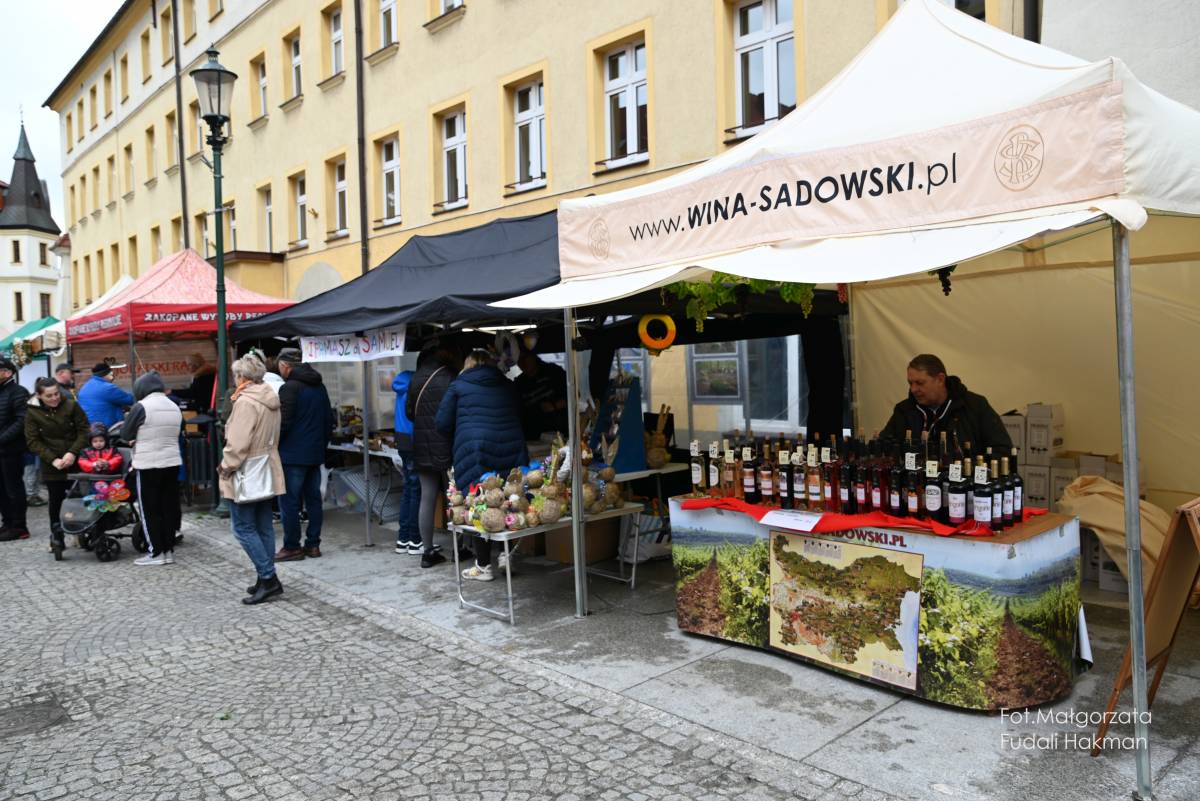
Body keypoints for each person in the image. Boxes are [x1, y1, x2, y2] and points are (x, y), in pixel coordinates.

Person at [436, 349, 528, 582]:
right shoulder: (506, 383)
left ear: (467, 364)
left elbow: (442, 422)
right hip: (509, 445)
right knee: (509, 499)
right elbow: (521, 411)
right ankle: (507, 555)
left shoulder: (458, 385)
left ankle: (484, 565)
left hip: (475, 449)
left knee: (480, 502)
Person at [219, 354, 286, 605]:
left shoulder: (246, 402)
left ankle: (268, 578)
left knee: (243, 528)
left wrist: (226, 467)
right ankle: (264, 575)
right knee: (263, 525)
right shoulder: (269, 397)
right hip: (267, 464)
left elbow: (238, 443)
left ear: (241, 376)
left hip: (248, 468)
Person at [881, 353, 1012, 451]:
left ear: (940, 379)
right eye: (910, 383)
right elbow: (883, 448)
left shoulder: (975, 406)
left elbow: (1001, 449)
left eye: (920, 383)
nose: (913, 389)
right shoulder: (904, 410)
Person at [274, 348, 333, 561]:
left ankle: (292, 546)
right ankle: (313, 544)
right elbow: (328, 420)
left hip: (292, 454)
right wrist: (321, 447)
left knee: (289, 502)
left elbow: (283, 423)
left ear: (285, 366)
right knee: (313, 500)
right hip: (314, 453)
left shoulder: (289, 388)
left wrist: (274, 444)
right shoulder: (319, 386)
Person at [123, 373, 184, 566]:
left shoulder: (141, 407)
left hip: (148, 463)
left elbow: (126, 433)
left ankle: (156, 552)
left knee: (150, 510)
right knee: (168, 508)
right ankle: (168, 550)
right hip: (172, 461)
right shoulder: (174, 406)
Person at [23, 377, 89, 554]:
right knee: (56, 501)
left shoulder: (71, 405)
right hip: (51, 464)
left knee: (78, 498)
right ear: (39, 396)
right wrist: (53, 459)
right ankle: (57, 536)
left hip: (74, 461)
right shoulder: (32, 412)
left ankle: (81, 532)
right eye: (49, 396)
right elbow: (33, 441)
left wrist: (72, 453)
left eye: (56, 394)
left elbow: (84, 430)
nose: (54, 398)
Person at [406, 346, 457, 569]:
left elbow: (409, 413)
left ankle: (427, 552)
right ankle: (459, 548)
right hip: (447, 445)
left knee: (426, 497)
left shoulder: (415, 378)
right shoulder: (450, 377)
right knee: (454, 497)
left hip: (421, 445)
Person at [391, 366, 421, 555]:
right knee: (416, 490)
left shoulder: (402, 382)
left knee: (408, 489)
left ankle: (403, 539)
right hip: (413, 438)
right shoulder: (417, 383)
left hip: (401, 439)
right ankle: (416, 540)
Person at [0, 358, 30, 542]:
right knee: (1, 490)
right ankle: (7, 523)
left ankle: (19, 526)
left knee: (13, 488)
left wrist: (2, 438)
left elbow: (22, 421)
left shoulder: (18, 392)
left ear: (8, 372)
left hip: (11, 449)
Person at [514, 350, 569, 439]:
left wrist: (554, 406)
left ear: (533, 355)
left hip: (559, 434)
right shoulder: (519, 383)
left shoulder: (554, 372)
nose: (522, 363)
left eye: (524, 358)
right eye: (518, 360)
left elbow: (574, 396)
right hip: (532, 437)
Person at [77, 363, 135, 428]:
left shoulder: (84, 387)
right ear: (109, 374)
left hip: (90, 427)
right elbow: (130, 400)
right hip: (107, 428)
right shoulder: (108, 388)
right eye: (111, 374)